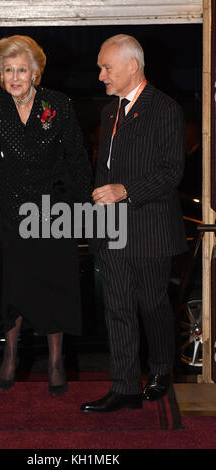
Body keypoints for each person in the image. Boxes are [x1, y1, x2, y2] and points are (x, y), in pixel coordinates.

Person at [81, 34, 187, 413]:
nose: (100, 76)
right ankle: (124, 386)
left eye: (106, 67)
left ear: (132, 66)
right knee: (118, 309)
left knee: (152, 305)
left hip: (150, 231)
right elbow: (102, 175)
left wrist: (125, 190)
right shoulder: (110, 111)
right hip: (111, 232)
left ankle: (160, 370)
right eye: (100, 67)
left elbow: (171, 171)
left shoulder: (165, 108)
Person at [0, 35, 91, 395]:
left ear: (35, 73)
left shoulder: (57, 104)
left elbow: (76, 156)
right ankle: (11, 355)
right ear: (0, 73)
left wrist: (78, 204)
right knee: (15, 285)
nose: (15, 77)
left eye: (22, 70)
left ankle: (56, 361)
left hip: (54, 210)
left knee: (55, 284)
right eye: (8, 70)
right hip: (12, 211)